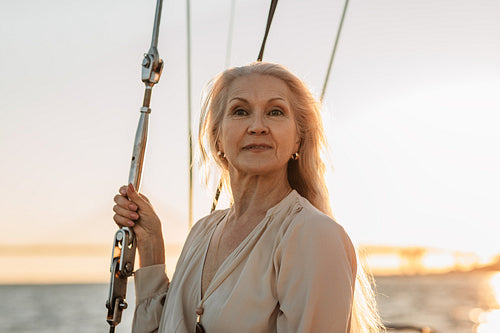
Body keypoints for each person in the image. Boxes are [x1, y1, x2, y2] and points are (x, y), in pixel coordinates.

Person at [113, 62, 384, 333]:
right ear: (217, 138)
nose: (257, 126)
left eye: (275, 112)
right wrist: (150, 245)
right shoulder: (201, 233)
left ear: (298, 139)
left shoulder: (313, 235)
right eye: (240, 111)